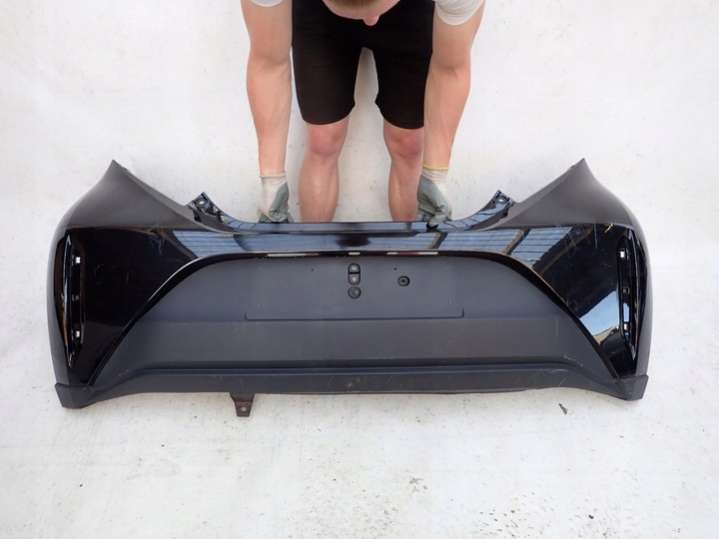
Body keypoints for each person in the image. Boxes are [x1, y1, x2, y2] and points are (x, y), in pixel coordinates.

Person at [241, 0, 485, 225]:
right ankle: (315, 252)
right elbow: (268, 62)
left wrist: (435, 177)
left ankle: (411, 252)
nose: (370, 20)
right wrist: (271, 182)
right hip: (320, 16)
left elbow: (450, 68)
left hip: (410, 13)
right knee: (323, 139)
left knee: (409, 143)